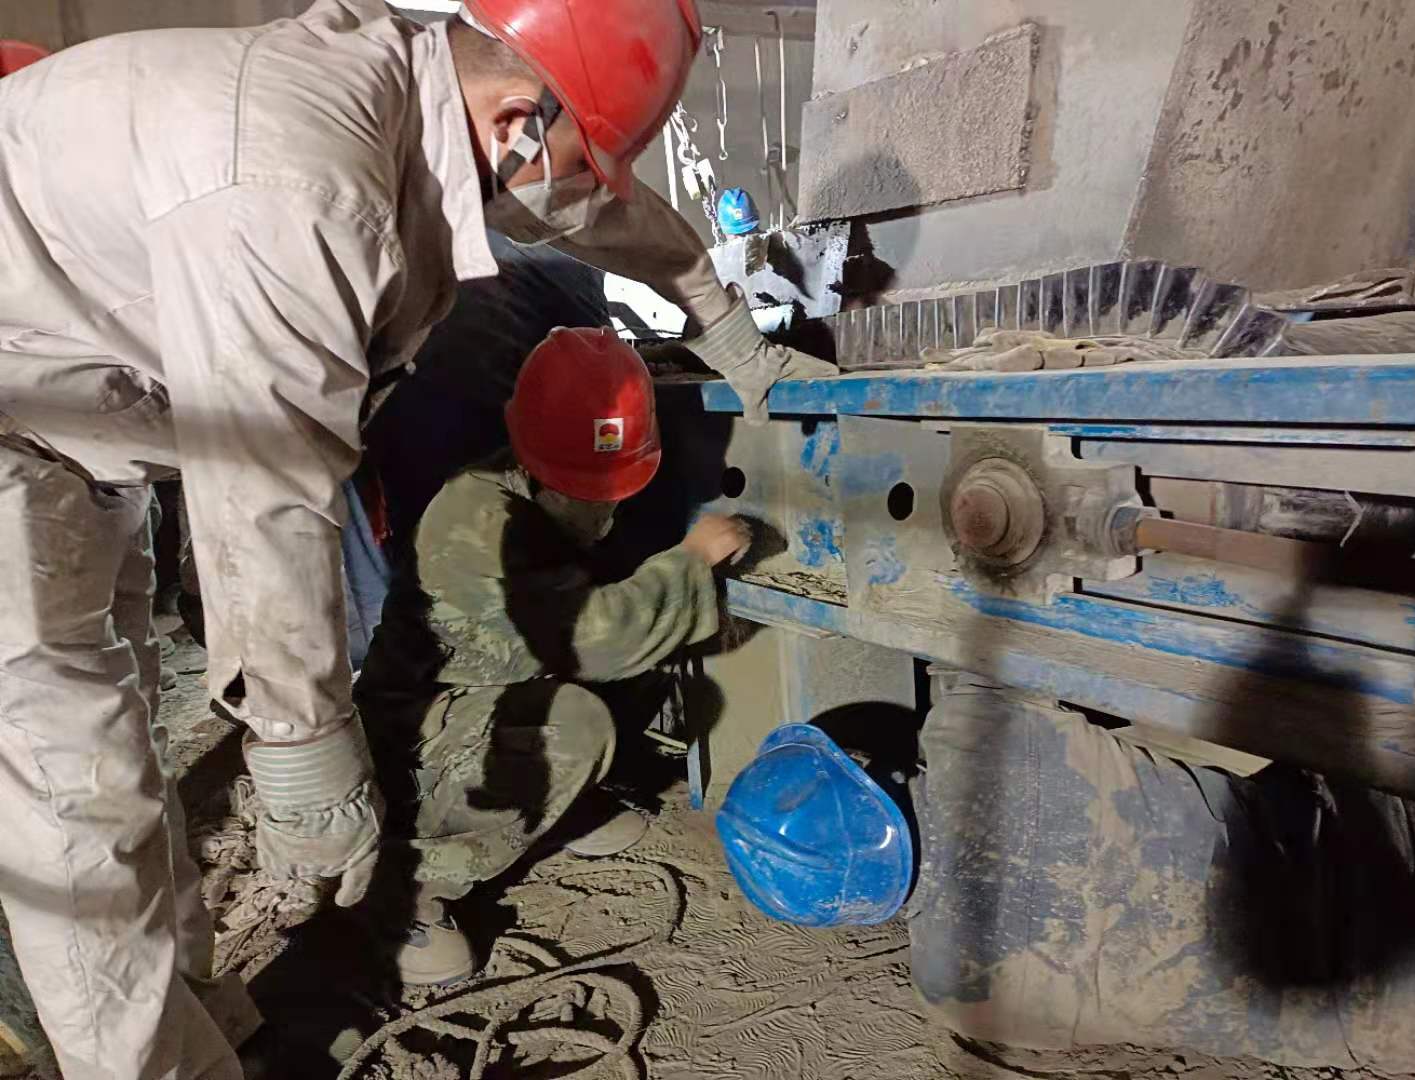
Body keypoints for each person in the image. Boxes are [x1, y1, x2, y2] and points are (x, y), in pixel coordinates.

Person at [0, 1, 828, 1076]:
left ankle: (202, 1018)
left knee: (128, 751)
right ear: (518, 122)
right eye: (581, 165)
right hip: (20, 432)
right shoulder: (299, 181)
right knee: (78, 794)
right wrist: (301, 741)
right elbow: (263, 482)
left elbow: (611, 220)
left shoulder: (430, 108)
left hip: (90, 426)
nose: (582, 203)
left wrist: (739, 344)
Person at [355, 327, 750, 986]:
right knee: (581, 720)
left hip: (490, 690)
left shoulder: (530, 482)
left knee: (636, 656)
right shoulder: (481, 518)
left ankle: (548, 812)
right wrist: (691, 559)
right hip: (415, 736)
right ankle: (403, 888)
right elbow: (599, 639)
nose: (605, 499)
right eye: (589, 481)